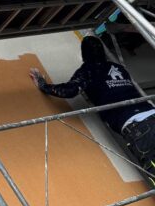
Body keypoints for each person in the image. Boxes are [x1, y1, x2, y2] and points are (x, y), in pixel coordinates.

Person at [30, 35, 155, 180]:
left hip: (138, 126)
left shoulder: (89, 70)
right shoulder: (119, 68)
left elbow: (70, 91)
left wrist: (44, 85)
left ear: (84, 55)